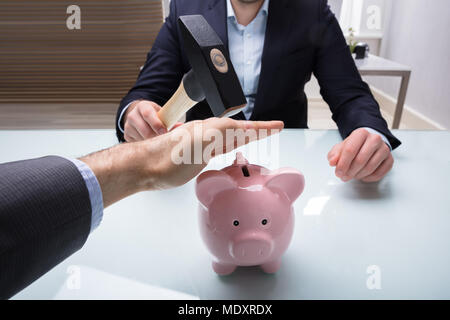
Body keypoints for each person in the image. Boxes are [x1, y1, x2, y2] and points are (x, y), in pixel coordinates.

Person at [116, 0, 401, 183]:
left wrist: (371, 134)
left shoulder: (312, 10)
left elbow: (350, 94)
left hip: (285, 156)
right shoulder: (186, 6)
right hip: (201, 160)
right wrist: (136, 112)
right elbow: (149, 88)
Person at [0, 118, 283, 299]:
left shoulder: (313, 22)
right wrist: (138, 117)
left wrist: (144, 165)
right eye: (237, 224)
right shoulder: (182, 22)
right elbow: (148, 85)